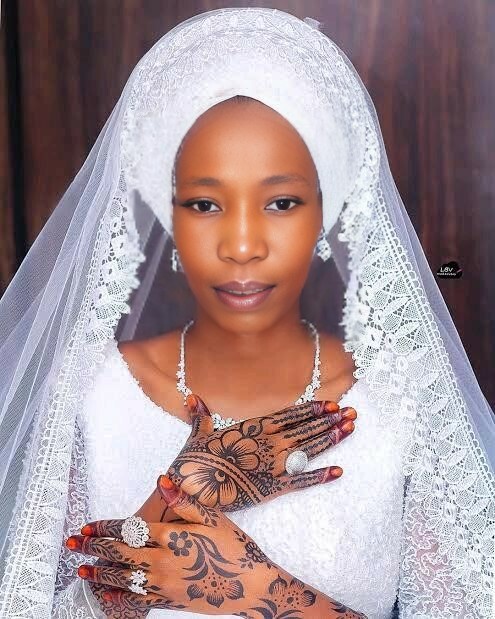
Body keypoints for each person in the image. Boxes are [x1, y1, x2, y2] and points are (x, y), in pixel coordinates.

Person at [0, 7, 493, 619]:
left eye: (281, 202)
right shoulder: (91, 394)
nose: (240, 245)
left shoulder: (402, 408)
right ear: (169, 215)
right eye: (205, 204)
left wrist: (263, 592)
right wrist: (180, 490)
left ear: (326, 212)